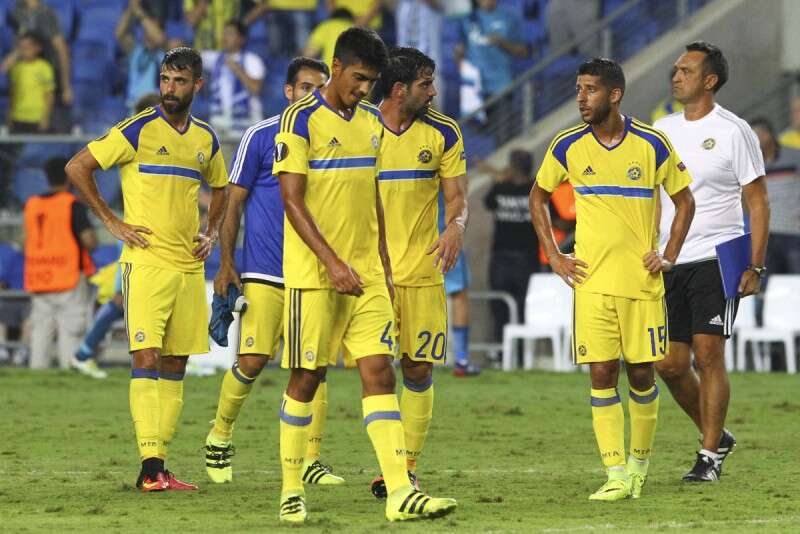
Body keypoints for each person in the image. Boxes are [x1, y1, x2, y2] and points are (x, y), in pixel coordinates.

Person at [272, 28, 456, 523]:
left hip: (368, 275)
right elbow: (291, 200)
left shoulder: (372, 121)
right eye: (357, 78)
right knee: (307, 377)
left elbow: (373, 195)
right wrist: (332, 262)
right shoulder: (299, 119)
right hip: (314, 276)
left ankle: (399, 491)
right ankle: (291, 487)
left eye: (371, 81)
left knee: (380, 372)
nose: (363, 89)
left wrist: (384, 267)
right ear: (335, 67)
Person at [530, 58, 695, 501]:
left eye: (590, 90)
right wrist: (554, 254)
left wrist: (669, 255)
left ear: (614, 94)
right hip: (591, 281)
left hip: (641, 283)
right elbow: (537, 196)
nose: (581, 98)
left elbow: (685, 201)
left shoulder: (652, 143)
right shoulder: (567, 145)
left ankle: (639, 465)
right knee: (601, 373)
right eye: (578, 89)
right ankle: (615, 473)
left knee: (641, 375)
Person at [65, 47, 229, 492]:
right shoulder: (137, 129)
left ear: (198, 85)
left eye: (180, 81)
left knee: (176, 362)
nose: (170, 88)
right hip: (146, 262)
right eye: (165, 79)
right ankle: (149, 465)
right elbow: (77, 167)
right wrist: (111, 221)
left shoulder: (206, 139)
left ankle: (161, 466)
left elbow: (221, 188)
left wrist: (212, 231)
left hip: (188, 267)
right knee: (147, 356)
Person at [204, 57, 338, 486]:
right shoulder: (261, 135)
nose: (312, 96)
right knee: (252, 361)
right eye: (305, 88)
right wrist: (227, 262)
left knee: (314, 366)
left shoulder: (334, 137)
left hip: (313, 273)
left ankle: (310, 459)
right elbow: (233, 202)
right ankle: (220, 436)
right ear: (288, 91)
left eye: (319, 88)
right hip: (266, 269)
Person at [655, 42, 769, 483]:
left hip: (717, 257)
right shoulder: (661, 129)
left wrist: (755, 265)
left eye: (686, 70)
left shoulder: (734, 131)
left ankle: (708, 456)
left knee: (708, 355)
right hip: (669, 259)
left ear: (709, 80)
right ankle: (717, 436)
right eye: (675, 69)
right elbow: (654, 197)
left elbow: (757, 202)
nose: (676, 76)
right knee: (669, 363)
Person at [368, 46, 468, 499]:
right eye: (425, 84)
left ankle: (404, 469)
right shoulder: (361, 129)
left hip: (424, 272)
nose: (434, 92)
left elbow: (457, 198)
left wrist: (455, 227)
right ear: (398, 89)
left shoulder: (444, 131)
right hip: (371, 274)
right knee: (372, 371)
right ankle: (308, 463)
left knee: (418, 369)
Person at [24, 157, 98, 370]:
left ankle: (37, 375)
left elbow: (25, 239)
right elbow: (89, 242)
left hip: (39, 276)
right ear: (69, 177)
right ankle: (70, 374)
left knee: (40, 332)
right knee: (71, 332)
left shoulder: (31, 205)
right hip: (68, 277)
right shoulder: (72, 205)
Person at [482, 150, 539, 342]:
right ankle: (506, 350)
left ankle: (514, 351)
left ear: (513, 167)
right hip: (511, 257)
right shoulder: (508, 187)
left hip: (518, 257)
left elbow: (488, 203)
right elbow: (488, 203)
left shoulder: (532, 189)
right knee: (504, 305)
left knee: (516, 306)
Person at [5, 0, 73, 132]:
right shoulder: (17, 13)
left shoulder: (45, 13)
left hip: (49, 76)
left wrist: (66, 86)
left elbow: (61, 48)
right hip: (27, 74)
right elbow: (21, 44)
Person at [751, 117, 800, 275]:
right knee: (772, 283)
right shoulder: (753, 163)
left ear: (767, 135)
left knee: (796, 280)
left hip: (793, 233)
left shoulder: (794, 156)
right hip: (767, 237)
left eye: (754, 137)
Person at [200, 19, 265, 138]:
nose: (225, 37)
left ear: (241, 39)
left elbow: (256, 88)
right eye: (224, 33)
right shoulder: (215, 58)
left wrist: (238, 70)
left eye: (230, 33)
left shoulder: (252, 60)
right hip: (220, 128)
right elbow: (189, 55)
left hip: (246, 129)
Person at [115, 0, 167, 112]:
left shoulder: (164, 54)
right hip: (134, 109)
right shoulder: (136, 50)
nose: (147, 34)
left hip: (156, 110)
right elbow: (119, 34)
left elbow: (159, 39)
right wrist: (131, 9)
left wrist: (140, 13)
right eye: (145, 31)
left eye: (150, 29)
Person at [1, 31, 54, 133]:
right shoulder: (16, 68)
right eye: (22, 47)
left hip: (36, 117)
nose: (24, 50)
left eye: (28, 47)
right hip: (18, 117)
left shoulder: (44, 67)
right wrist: (9, 114)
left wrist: (46, 117)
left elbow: (49, 95)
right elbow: (12, 92)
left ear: (37, 48)